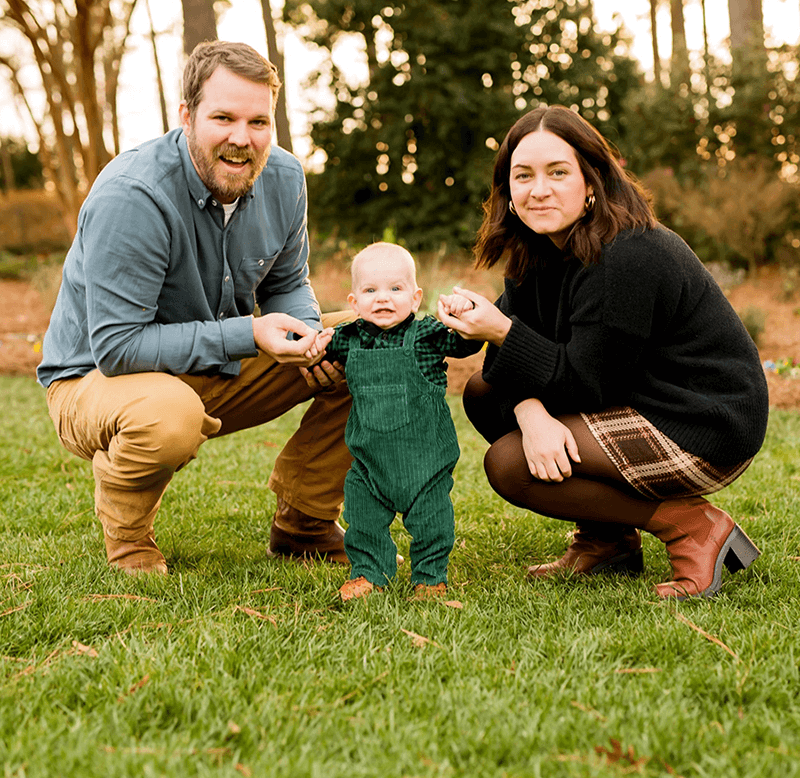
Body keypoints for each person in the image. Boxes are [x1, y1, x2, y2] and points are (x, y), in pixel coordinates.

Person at [37, 41, 354, 575]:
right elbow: (117, 348)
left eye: (258, 121)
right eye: (223, 117)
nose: (242, 138)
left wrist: (307, 338)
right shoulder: (133, 195)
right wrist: (249, 334)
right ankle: (130, 539)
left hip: (209, 365)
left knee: (370, 343)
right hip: (94, 380)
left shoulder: (284, 178)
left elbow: (288, 282)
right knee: (168, 415)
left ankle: (305, 521)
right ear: (186, 116)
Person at [441, 105, 769, 600]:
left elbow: (587, 384)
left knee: (511, 465)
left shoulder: (629, 253)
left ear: (590, 180)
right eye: (522, 175)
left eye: (558, 172)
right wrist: (527, 405)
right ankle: (608, 538)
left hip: (700, 420)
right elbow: (511, 360)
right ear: (507, 191)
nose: (539, 189)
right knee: (485, 393)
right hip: (629, 396)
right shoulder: (538, 251)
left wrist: (503, 332)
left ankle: (692, 526)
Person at [310, 243, 482, 601]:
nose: (383, 298)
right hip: (369, 464)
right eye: (370, 291)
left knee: (432, 523)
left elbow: (467, 345)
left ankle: (430, 576)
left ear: (415, 298)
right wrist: (312, 348)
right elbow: (317, 352)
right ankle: (370, 573)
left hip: (426, 462)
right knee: (363, 520)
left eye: (395, 289)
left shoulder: (427, 336)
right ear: (354, 302)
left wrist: (464, 317)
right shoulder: (347, 338)